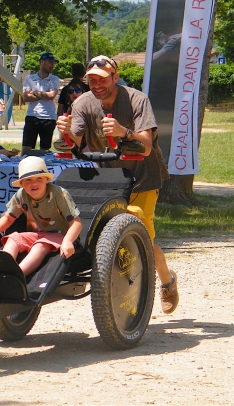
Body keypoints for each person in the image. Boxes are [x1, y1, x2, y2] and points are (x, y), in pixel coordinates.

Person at [56, 55, 179, 314]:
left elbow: (145, 147)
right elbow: (74, 144)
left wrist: (124, 132)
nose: (96, 85)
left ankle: (167, 281)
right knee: (102, 234)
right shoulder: (83, 104)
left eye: (102, 79)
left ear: (114, 77)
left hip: (142, 178)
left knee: (140, 235)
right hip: (109, 178)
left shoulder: (136, 100)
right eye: (91, 80)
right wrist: (65, 131)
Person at [0, 156, 82, 276]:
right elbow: (8, 217)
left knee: (40, 246)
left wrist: (67, 241)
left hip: (60, 235)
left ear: (46, 180)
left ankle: (17, 275)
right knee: (12, 239)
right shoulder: (21, 195)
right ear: (22, 184)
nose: (34, 183)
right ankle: (2, 272)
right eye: (28, 180)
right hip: (36, 234)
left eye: (39, 178)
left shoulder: (59, 194)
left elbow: (76, 223)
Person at [21, 52, 60, 155]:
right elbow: (25, 97)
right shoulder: (30, 78)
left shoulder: (54, 79)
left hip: (48, 118)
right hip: (32, 116)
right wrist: (44, 95)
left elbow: (52, 95)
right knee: (26, 148)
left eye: (53, 63)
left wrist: (35, 93)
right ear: (42, 62)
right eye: (50, 62)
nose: (52, 65)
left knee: (45, 150)